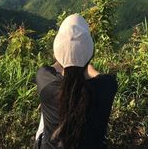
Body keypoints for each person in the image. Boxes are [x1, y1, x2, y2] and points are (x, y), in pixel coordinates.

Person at [35, 14, 117, 149]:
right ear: (91, 54)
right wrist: (82, 62)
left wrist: (66, 58)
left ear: (56, 54)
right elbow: (95, 74)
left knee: (45, 115)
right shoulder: (108, 85)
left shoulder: (44, 79)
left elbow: (54, 67)